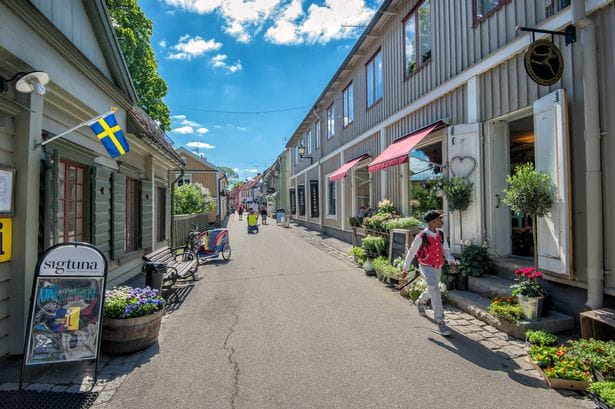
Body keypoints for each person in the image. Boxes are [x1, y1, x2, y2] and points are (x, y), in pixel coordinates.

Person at [402, 210, 457, 336]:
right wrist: (405, 269)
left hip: (438, 266)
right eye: (440, 219)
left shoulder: (441, 234)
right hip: (426, 266)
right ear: (432, 222)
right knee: (435, 289)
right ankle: (440, 321)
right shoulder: (422, 236)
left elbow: (446, 250)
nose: (442, 221)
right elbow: (411, 252)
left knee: (432, 288)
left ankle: (420, 302)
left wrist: (451, 262)